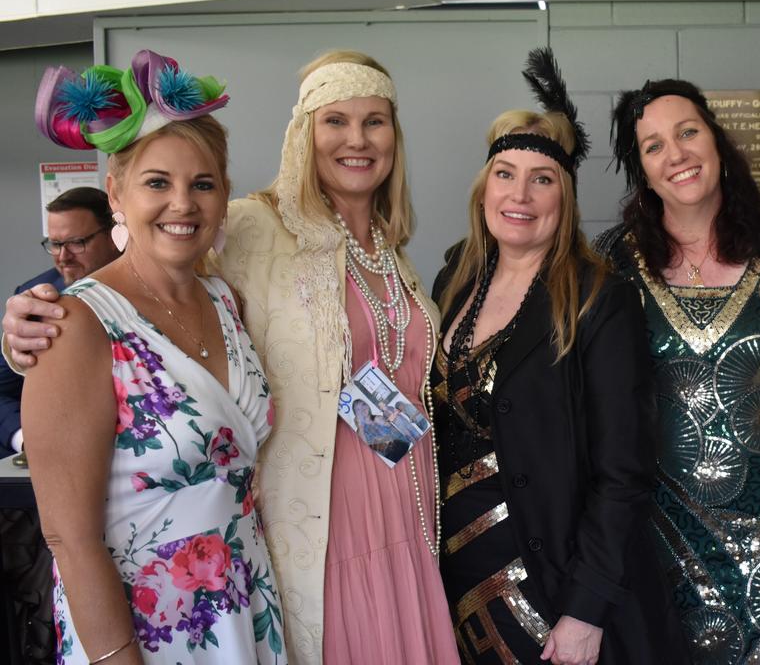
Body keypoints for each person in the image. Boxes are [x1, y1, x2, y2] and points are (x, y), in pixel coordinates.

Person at [4, 50, 458, 664]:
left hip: (381, 511)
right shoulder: (251, 227)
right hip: (310, 527)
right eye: (335, 120)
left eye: (375, 121)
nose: (356, 139)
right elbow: (131, 291)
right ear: (303, 133)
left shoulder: (386, 247)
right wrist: (26, 325)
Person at [23, 50, 284, 662]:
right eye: (157, 183)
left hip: (240, 603)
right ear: (116, 191)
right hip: (142, 626)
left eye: (203, 184)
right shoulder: (79, 323)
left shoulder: (226, 301)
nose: (183, 204)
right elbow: (69, 536)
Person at [432, 49, 685, 664]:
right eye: (505, 174)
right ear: (484, 184)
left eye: (541, 179)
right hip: (458, 574)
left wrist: (585, 609)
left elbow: (624, 471)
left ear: (564, 195)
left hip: (551, 579)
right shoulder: (451, 282)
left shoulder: (600, 298)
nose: (520, 194)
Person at [597, 78, 760, 664]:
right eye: (652, 146)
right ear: (641, 172)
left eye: (688, 132)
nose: (675, 154)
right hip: (655, 547)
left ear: (717, 142)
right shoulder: (610, 264)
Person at [1, 187, 120, 457]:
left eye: (77, 242)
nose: (63, 257)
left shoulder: (153, 288)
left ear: (114, 236)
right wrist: (27, 439)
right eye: (55, 244)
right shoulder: (32, 295)